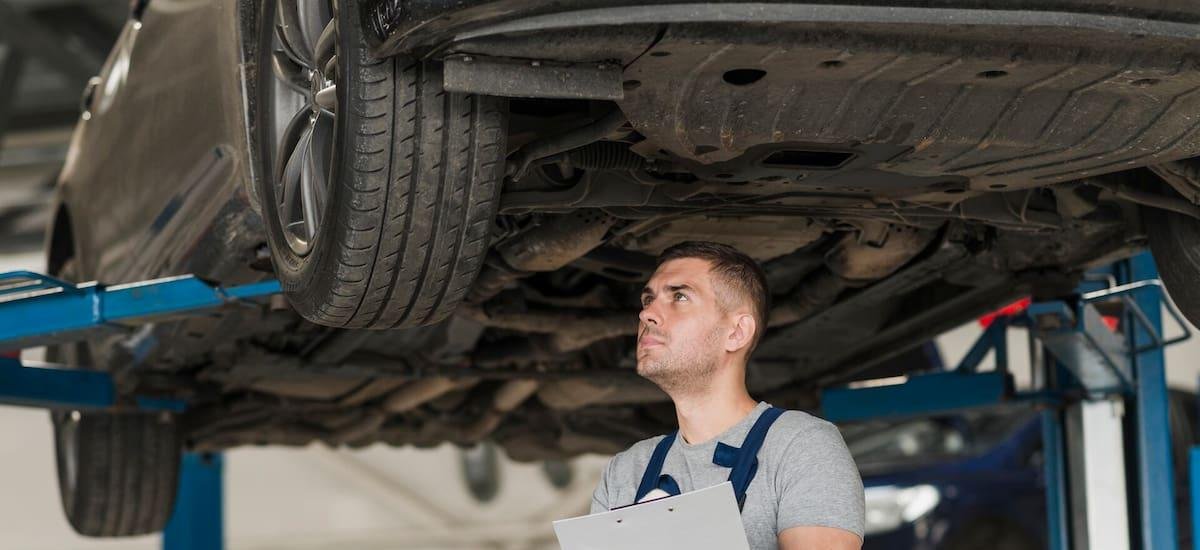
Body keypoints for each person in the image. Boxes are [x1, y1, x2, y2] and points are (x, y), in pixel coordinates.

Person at [589, 241, 865, 550]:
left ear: (736, 332)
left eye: (679, 296)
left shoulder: (800, 446)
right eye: (648, 299)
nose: (647, 314)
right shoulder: (625, 471)